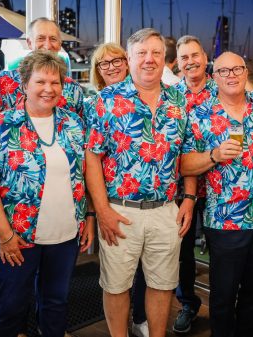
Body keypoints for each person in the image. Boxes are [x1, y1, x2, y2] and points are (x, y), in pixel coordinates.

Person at [85, 28, 194, 337]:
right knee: (116, 286)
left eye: (156, 53)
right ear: (129, 58)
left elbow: (187, 153)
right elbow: (91, 158)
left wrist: (189, 198)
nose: (149, 59)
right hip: (120, 211)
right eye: (142, 53)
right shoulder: (105, 101)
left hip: (166, 210)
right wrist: (102, 211)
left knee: (162, 284)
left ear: (164, 59)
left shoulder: (179, 100)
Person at [0, 51, 93, 337]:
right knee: (9, 309)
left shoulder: (73, 123)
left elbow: (83, 175)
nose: (48, 89)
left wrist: (89, 217)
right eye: (40, 81)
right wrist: (5, 235)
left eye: (55, 82)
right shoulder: (2, 125)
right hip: (17, 237)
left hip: (65, 235)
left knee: (56, 305)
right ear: (25, 84)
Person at [181, 51, 253, 337]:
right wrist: (214, 155)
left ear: (246, 73)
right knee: (223, 292)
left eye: (237, 69)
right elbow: (184, 164)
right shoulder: (199, 114)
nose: (231, 75)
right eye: (224, 71)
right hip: (225, 217)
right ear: (214, 77)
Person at [86, 43, 148, 337]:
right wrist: (98, 211)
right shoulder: (94, 103)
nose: (111, 67)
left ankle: (141, 319)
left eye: (116, 61)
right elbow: (91, 159)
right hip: (112, 201)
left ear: (127, 62)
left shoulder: (147, 96)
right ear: (96, 70)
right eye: (103, 63)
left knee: (148, 274)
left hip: (149, 202)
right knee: (116, 277)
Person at [171, 35, 216, 334]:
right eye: (184, 57)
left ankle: (225, 304)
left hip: (219, 186)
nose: (191, 61)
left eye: (195, 55)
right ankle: (188, 303)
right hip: (180, 189)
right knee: (181, 252)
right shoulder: (171, 96)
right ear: (178, 63)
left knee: (223, 252)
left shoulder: (223, 90)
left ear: (205, 57)